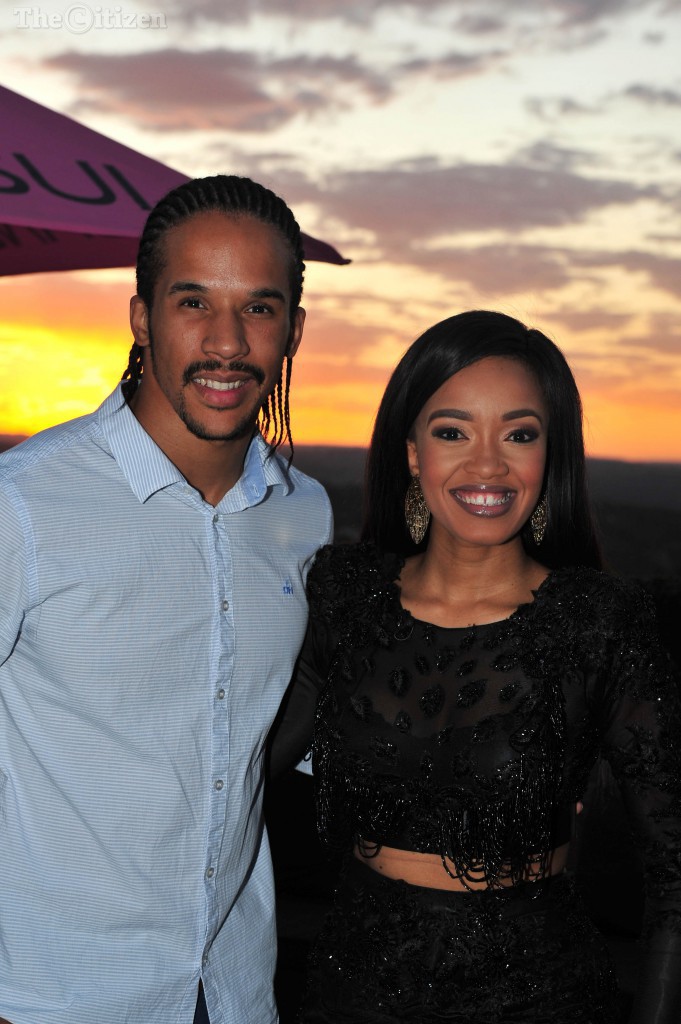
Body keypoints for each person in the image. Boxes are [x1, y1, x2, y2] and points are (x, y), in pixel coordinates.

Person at [269, 310, 681, 1023]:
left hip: (535, 998)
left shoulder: (597, 619)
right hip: (352, 990)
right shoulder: (344, 592)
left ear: (549, 456)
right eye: (451, 431)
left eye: (518, 434)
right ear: (409, 451)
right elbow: (241, 766)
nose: (486, 465)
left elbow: (674, 873)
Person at [0, 174, 332, 1024]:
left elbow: (279, 726)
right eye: (194, 302)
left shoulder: (305, 512)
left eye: (259, 308)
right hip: (54, 996)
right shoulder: (25, 504)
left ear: (292, 328)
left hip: (233, 992)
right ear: (142, 316)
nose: (226, 342)